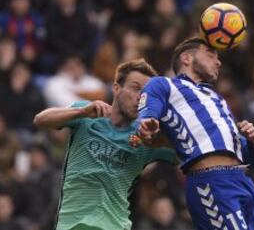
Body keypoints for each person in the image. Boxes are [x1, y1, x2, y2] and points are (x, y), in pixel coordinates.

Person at [135, 37, 254, 230]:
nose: (218, 62)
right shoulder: (165, 85)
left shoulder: (217, 98)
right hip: (211, 181)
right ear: (186, 58)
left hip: (242, 180)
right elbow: (146, 113)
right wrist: (146, 122)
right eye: (211, 54)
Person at [33, 59, 177, 230]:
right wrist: (81, 112)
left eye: (146, 93)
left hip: (115, 225)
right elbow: (40, 120)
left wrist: (162, 135)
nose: (140, 97)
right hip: (73, 224)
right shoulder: (87, 114)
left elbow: (189, 153)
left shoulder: (147, 135)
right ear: (116, 88)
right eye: (135, 88)